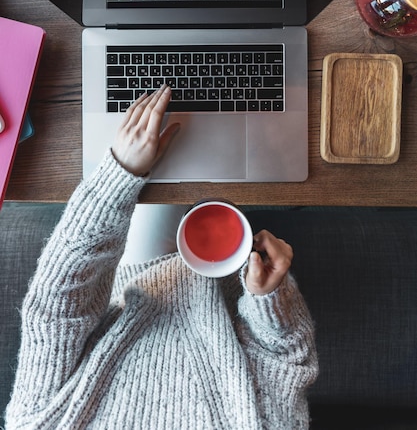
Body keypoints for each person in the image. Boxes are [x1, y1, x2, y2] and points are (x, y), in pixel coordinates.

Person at [6, 85, 318, 430]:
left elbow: (54, 313)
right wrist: (270, 299)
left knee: (176, 134)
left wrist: (119, 174)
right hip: (236, 290)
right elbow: (288, 361)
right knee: (255, 139)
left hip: (142, 277)